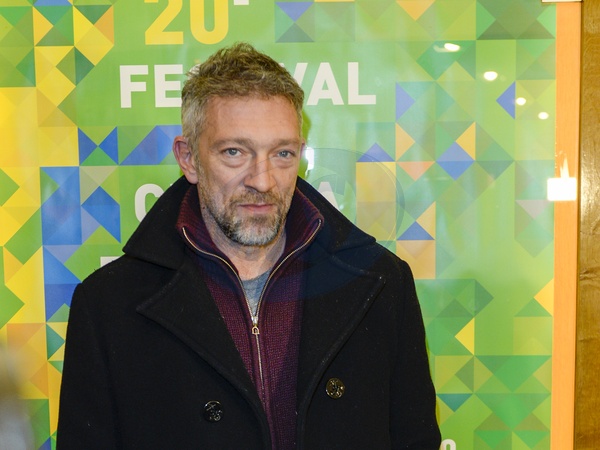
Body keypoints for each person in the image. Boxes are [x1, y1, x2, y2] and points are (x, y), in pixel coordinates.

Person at [57, 42, 441, 449]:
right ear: (188, 158)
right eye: (234, 152)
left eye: (282, 153)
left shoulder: (382, 284)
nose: (262, 180)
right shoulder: (107, 305)